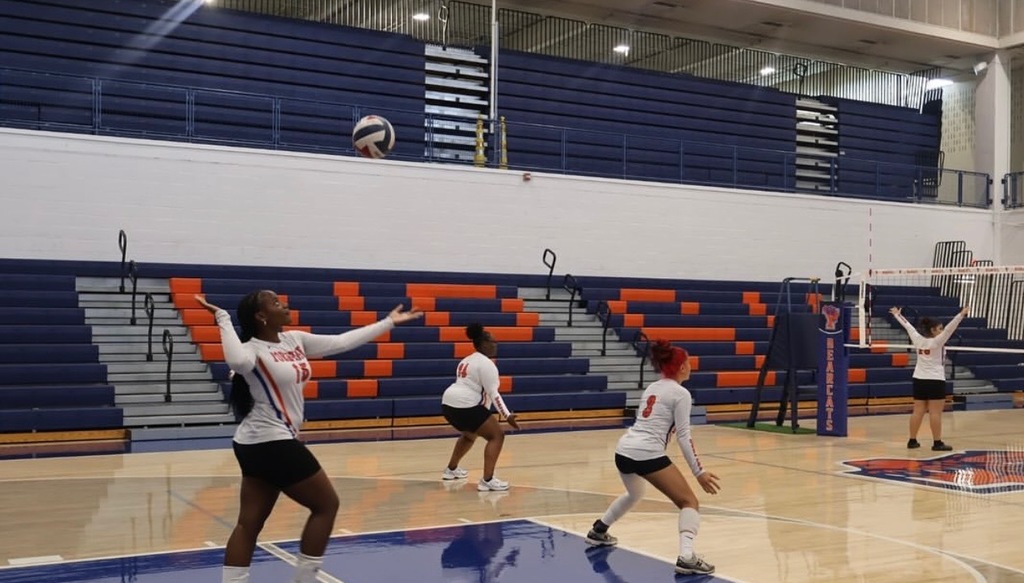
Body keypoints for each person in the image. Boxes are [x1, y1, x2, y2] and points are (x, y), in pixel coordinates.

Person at [195, 291, 422, 583]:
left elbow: (341, 342)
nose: (285, 305)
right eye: (275, 303)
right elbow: (237, 362)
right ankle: (305, 579)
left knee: (249, 523)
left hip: (257, 443)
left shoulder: (295, 339)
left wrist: (387, 322)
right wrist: (223, 318)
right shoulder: (251, 350)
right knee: (326, 505)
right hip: (269, 441)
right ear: (261, 316)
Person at [585, 339, 720, 576]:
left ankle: (599, 530)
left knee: (635, 493)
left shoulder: (653, 387)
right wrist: (699, 472)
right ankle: (687, 557)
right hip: (646, 454)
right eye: (688, 362)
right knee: (689, 502)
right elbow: (684, 436)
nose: (691, 366)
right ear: (681, 367)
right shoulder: (681, 393)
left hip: (624, 449)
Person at [441, 323, 520, 491]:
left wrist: (483, 416)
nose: (496, 344)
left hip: (448, 404)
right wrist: (507, 415)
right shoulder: (487, 364)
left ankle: (451, 469)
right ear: (483, 343)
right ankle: (487, 480)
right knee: (497, 435)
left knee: (470, 435)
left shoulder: (466, 360)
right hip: (465, 404)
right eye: (492, 341)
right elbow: (493, 393)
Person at [889, 305, 969, 451]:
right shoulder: (938, 341)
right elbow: (951, 327)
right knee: (935, 412)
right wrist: (961, 314)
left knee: (918, 411)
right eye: (940, 329)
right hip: (935, 380)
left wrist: (897, 315)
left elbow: (908, 327)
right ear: (933, 331)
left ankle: (912, 441)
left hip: (919, 379)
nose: (942, 331)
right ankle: (937, 443)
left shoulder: (918, 339)